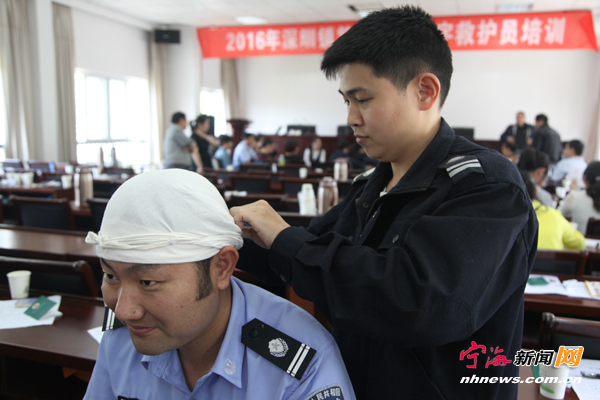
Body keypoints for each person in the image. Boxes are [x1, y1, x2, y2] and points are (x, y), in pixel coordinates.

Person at [229, 6, 537, 400]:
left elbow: (420, 304)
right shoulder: (374, 183)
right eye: (346, 101)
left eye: (363, 99)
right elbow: (310, 253)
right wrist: (230, 238)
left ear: (425, 91)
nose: (351, 118)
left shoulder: (486, 187)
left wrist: (286, 240)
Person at [82, 169, 356, 400]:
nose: (124, 310)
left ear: (221, 267)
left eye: (147, 282)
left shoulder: (300, 364)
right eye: (110, 276)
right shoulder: (123, 336)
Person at [520, 170, 585, 250]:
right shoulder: (554, 215)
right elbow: (580, 244)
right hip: (551, 258)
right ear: (536, 192)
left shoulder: (508, 216)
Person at [559, 161, 600, 234]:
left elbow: (556, 217)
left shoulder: (574, 197)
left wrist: (572, 192)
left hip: (580, 240)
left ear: (585, 179)